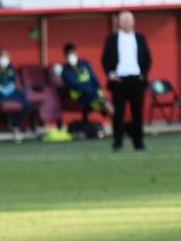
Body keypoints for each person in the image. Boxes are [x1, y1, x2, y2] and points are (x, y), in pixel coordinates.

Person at [101, 10, 152, 152]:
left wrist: (143, 74)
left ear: (133, 22)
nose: (126, 22)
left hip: (136, 80)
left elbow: (147, 59)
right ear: (119, 22)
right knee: (118, 113)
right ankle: (117, 142)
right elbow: (105, 60)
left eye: (129, 20)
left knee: (137, 113)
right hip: (119, 81)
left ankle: (138, 142)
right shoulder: (112, 39)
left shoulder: (140, 38)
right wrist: (111, 74)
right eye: (123, 20)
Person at [0, 48, 30, 140]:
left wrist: (12, 86)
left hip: (11, 94)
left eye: (6, 56)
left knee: (26, 103)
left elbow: (14, 81)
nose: (4, 59)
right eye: (2, 56)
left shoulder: (11, 68)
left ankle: (14, 125)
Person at [60, 43, 112, 117]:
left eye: (73, 53)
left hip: (93, 93)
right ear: (65, 55)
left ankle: (117, 123)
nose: (72, 55)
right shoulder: (66, 70)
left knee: (108, 102)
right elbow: (76, 85)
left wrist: (99, 88)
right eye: (69, 54)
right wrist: (91, 90)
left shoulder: (84, 63)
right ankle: (117, 123)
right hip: (79, 95)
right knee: (104, 104)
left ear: (76, 52)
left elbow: (93, 77)